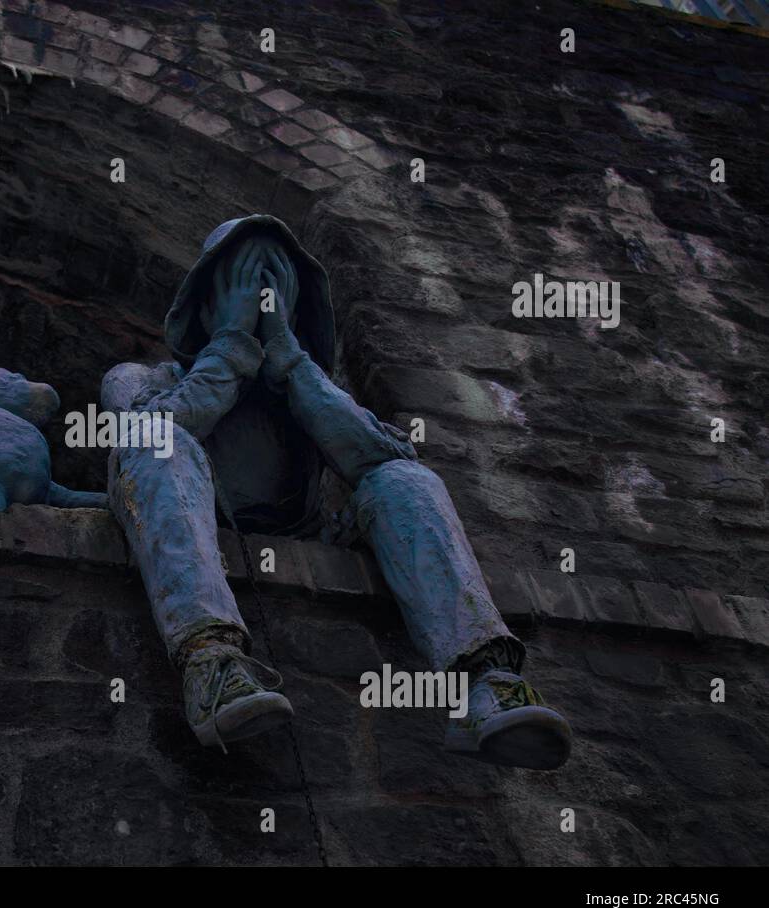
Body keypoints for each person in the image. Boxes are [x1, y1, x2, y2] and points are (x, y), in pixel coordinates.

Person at [102, 215, 572, 769]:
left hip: (305, 531)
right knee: (158, 445)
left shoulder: (302, 386)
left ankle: (486, 679)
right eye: (242, 290)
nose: (256, 306)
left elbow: (384, 457)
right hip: (197, 524)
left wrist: (288, 356)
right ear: (206, 306)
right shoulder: (139, 379)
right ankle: (212, 664)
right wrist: (230, 344)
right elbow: (141, 438)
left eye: (272, 294)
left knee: (406, 480)